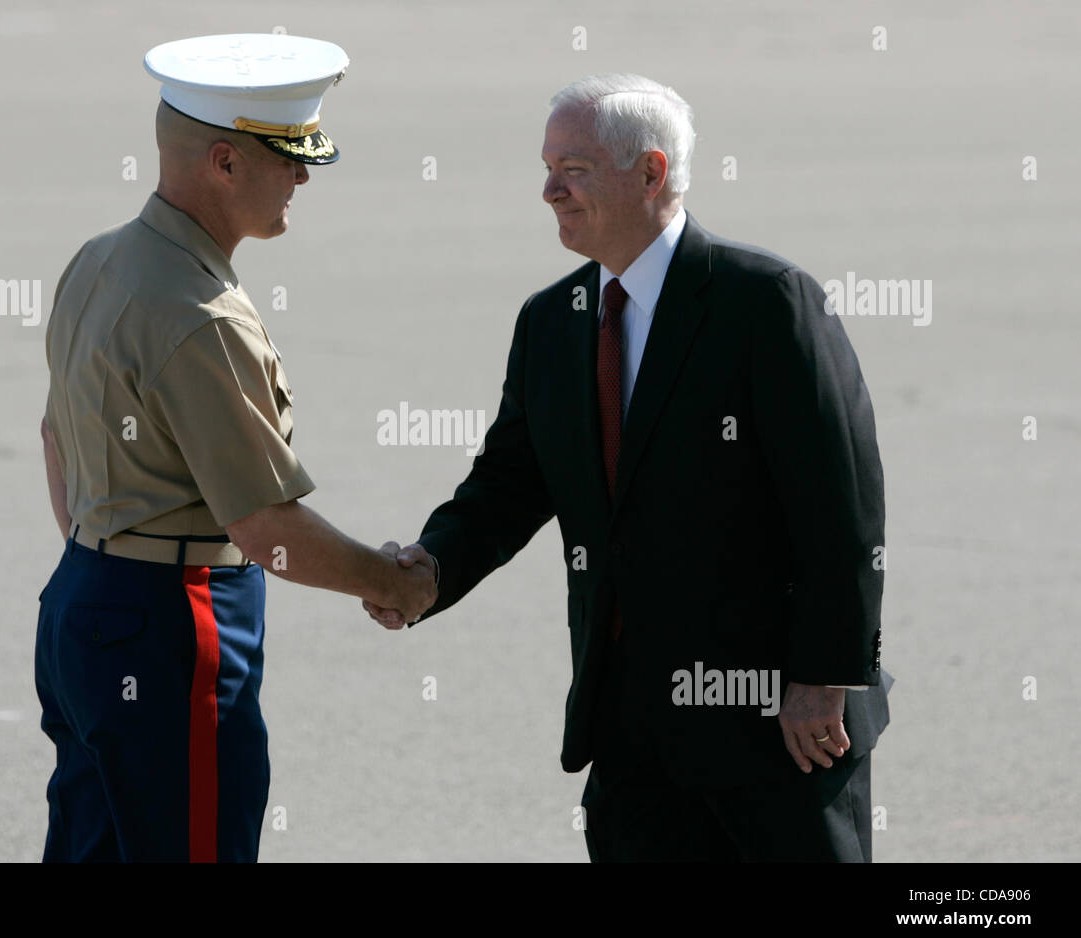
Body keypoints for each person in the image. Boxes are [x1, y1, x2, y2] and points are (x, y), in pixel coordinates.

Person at [365, 73, 891, 862]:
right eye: (547, 167)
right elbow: (508, 485)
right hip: (631, 733)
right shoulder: (551, 321)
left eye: (572, 169)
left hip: (777, 728)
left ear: (650, 173)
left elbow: (841, 503)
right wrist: (427, 571)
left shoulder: (765, 301)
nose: (548, 190)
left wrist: (825, 674)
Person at [37, 33, 435, 863]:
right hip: (173, 618)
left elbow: (55, 439)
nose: (302, 177)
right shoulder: (202, 315)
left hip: (83, 598)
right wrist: (393, 582)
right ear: (223, 162)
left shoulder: (99, 259)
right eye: (288, 158)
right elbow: (267, 530)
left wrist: (106, 554)